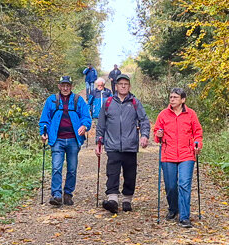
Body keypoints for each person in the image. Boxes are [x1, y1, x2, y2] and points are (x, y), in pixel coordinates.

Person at [97, 73, 150, 213]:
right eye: (120, 84)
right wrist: (99, 141)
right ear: (116, 86)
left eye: (126, 84)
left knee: (130, 174)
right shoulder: (108, 103)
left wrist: (144, 135)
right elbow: (101, 124)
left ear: (129, 86)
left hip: (130, 145)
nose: (123, 86)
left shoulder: (135, 102)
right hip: (112, 145)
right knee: (112, 173)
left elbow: (144, 120)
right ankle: (112, 199)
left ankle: (127, 199)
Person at [152, 87, 204, 227]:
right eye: (171, 97)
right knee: (170, 186)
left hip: (187, 154)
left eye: (175, 97)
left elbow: (197, 132)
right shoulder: (163, 114)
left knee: (184, 185)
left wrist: (198, 144)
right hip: (168, 155)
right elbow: (157, 132)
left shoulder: (191, 114)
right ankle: (173, 208)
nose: (172, 99)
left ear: (183, 100)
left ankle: (184, 216)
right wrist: (158, 135)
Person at [37, 76, 91, 206]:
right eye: (63, 85)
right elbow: (45, 119)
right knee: (56, 167)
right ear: (59, 86)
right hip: (57, 140)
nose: (65, 88)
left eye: (68, 85)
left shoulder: (78, 100)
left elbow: (86, 117)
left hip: (73, 139)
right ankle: (56, 195)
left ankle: (68, 194)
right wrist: (43, 133)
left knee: (72, 169)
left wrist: (84, 126)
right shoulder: (52, 100)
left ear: (71, 86)